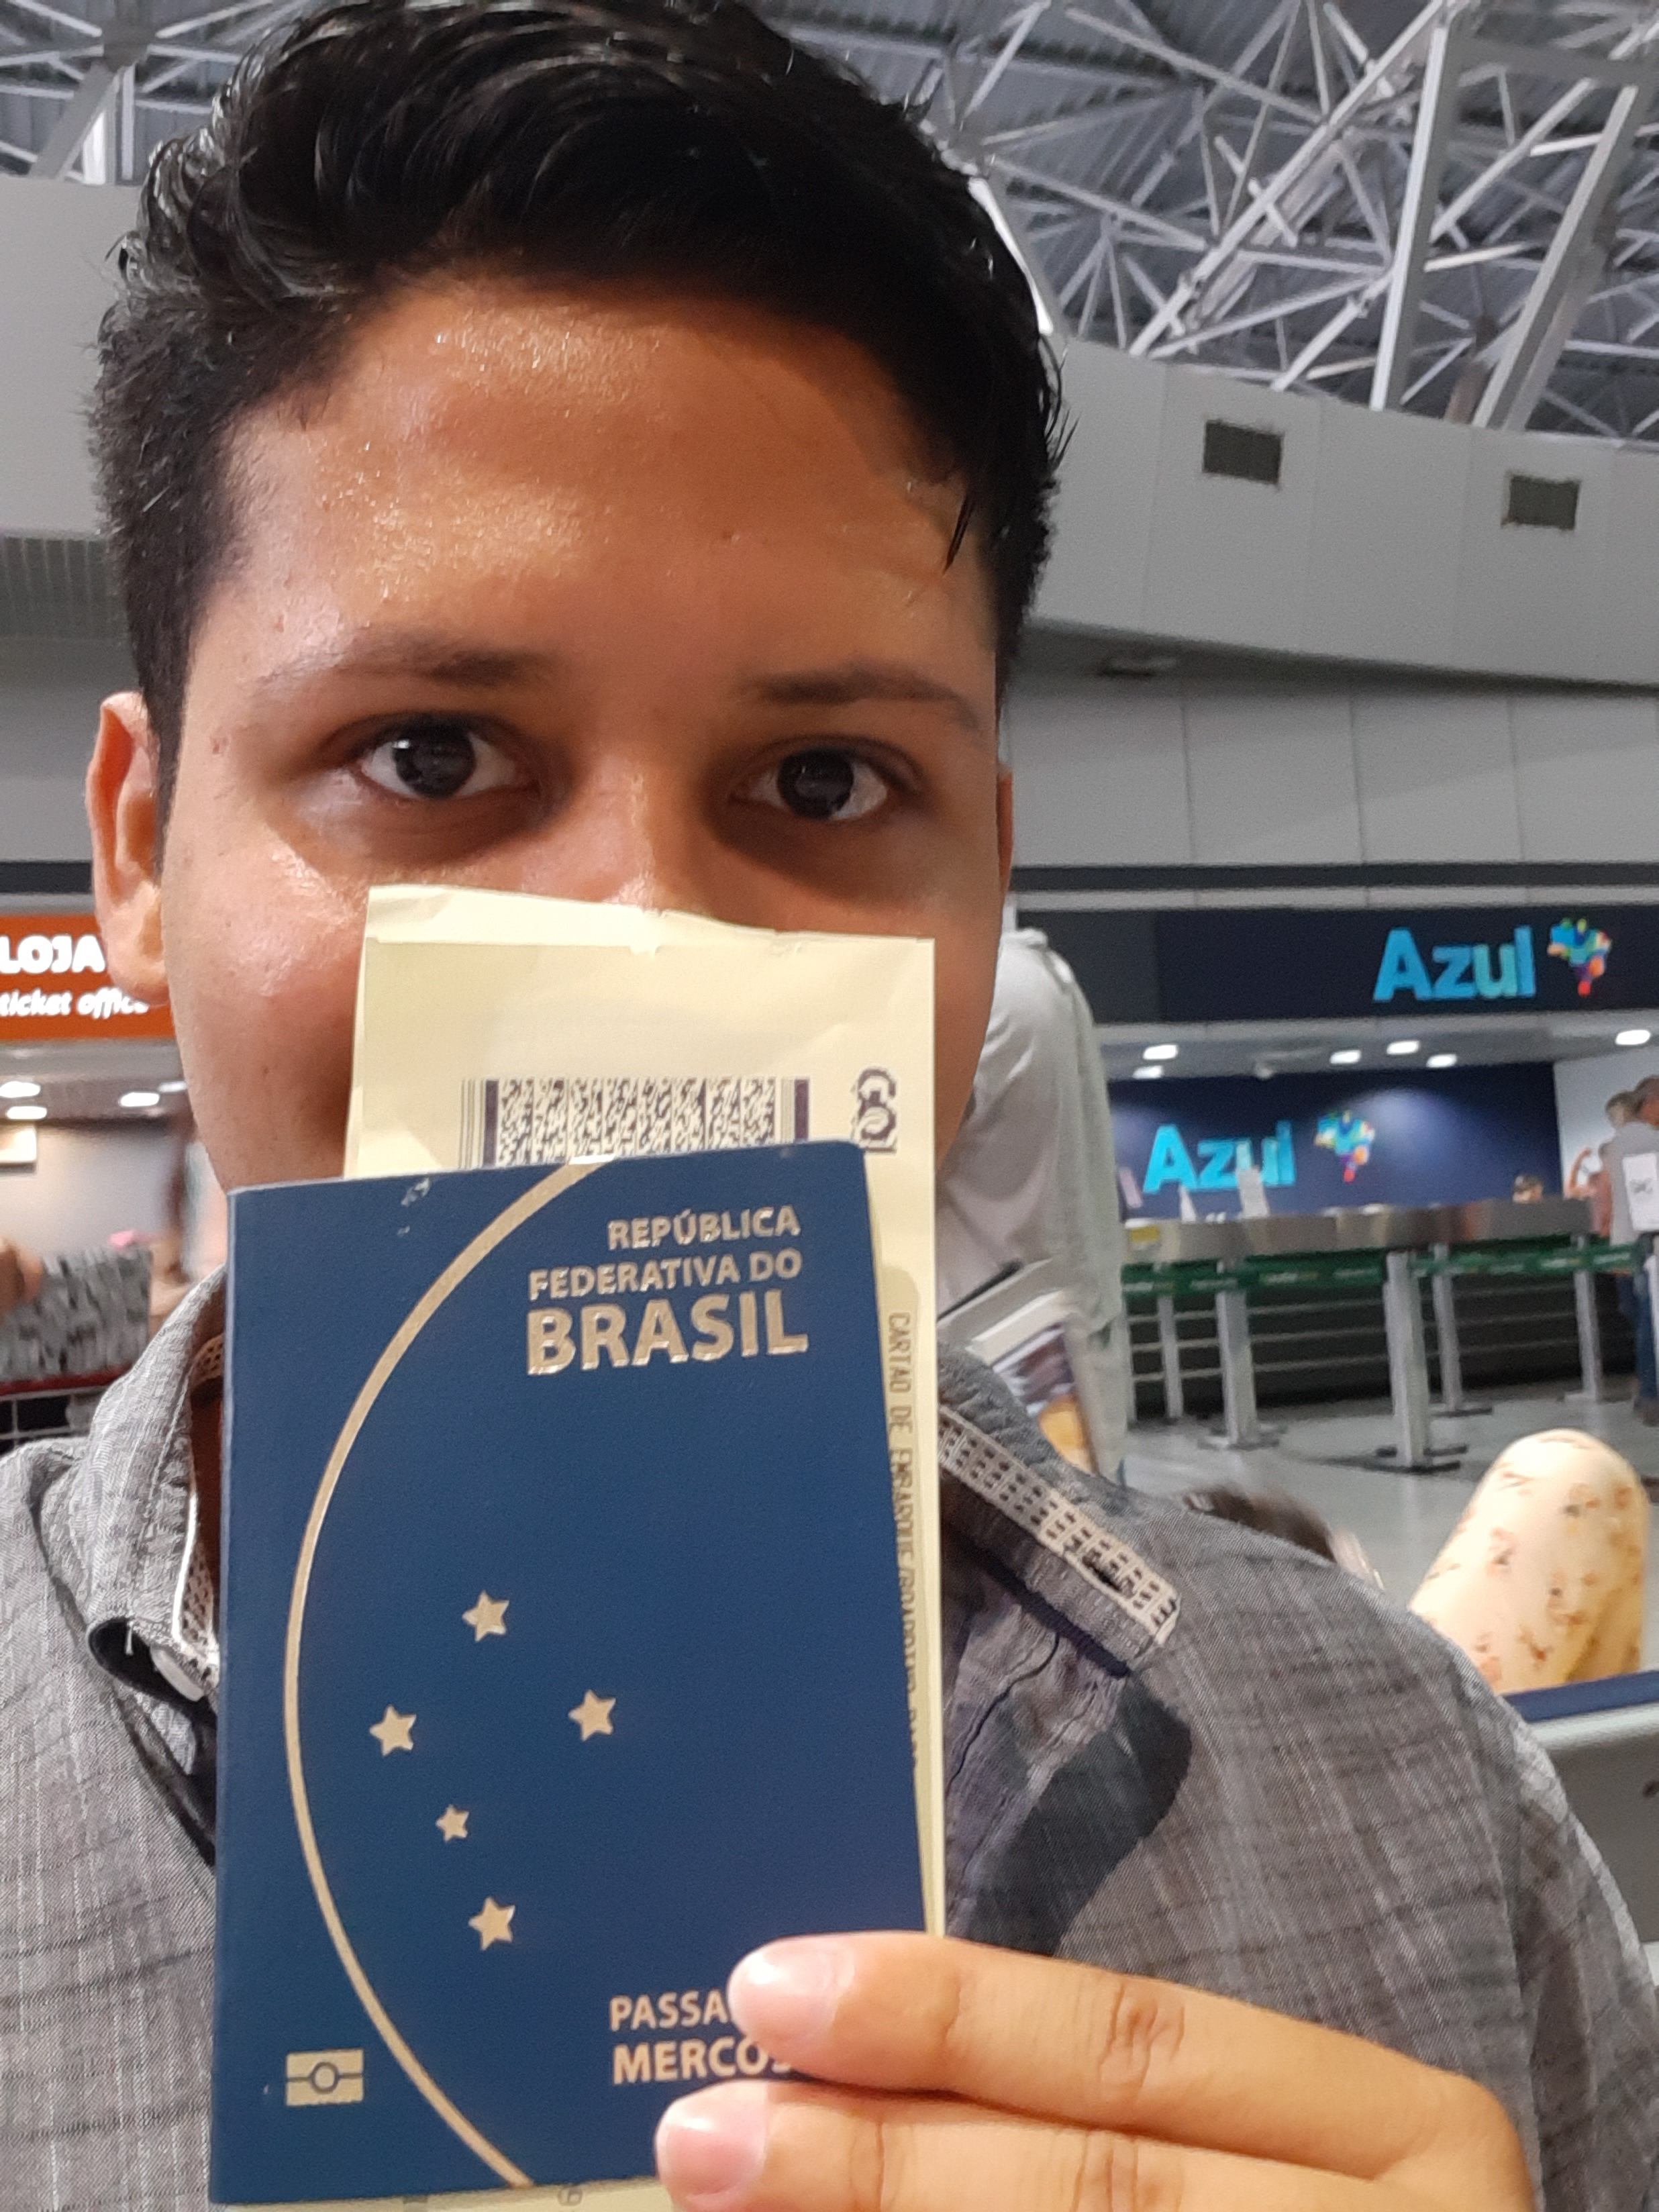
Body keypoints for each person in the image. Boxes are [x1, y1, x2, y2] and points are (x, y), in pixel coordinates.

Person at [0, 4, 1652, 2207]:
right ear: (136, 854)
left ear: (989, 880)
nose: (644, 948)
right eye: (426, 755)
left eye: (821, 781)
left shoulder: (1414, 1788)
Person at [936, 927, 1129, 1476]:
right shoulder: (1040, 980)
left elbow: (877, 1180)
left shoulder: (977, 994)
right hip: (1062, 1365)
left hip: (996, 1381)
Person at [1604, 1073, 1659, 1422]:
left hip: (1627, 1244)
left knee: (1643, 1322)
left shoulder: (1617, 1143)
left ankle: (1647, 1390)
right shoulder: (1651, 1141)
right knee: (1651, 1322)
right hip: (1649, 1244)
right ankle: (1652, 1392)